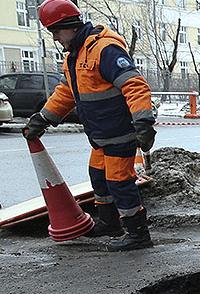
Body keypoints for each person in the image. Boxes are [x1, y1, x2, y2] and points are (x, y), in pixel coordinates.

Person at [26, 0, 155, 251]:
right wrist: (43, 118)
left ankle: (138, 234)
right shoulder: (76, 56)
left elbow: (134, 85)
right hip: (101, 136)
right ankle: (110, 223)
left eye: (56, 32)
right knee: (98, 177)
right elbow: (68, 92)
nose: (55, 39)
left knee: (119, 182)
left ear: (70, 26)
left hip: (118, 133)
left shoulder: (104, 49)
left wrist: (143, 122)